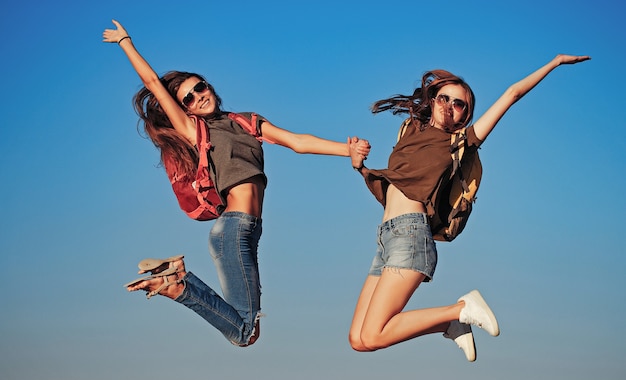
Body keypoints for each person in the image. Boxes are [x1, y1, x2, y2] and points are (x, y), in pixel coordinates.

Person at [102, 19, 370, 347]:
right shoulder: (194, 131)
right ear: (183, 108)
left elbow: (296, 141)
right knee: (243, 333)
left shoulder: (245, 122)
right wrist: (125, 41)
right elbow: (153, 84)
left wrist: (348, 150)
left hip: (249, 231)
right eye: (188, 98)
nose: (199, 97)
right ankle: (178, 283)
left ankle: (177, 280)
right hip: (232, 230)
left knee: (249, 330)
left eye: (200, 88)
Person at [346, 54, 590, 361]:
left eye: (458, 103)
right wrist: (359, 166)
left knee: (373, 334)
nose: (448, 105)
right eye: (443, 97)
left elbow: (512, 94)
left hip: (410, 236)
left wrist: (553, 63)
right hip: (387, 237)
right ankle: (449, 323)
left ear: (465, 114)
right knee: (358, 338)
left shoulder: (459, 144)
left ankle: (461, 308)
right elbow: (394, 187)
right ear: (432, 99)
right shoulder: (410, 130)